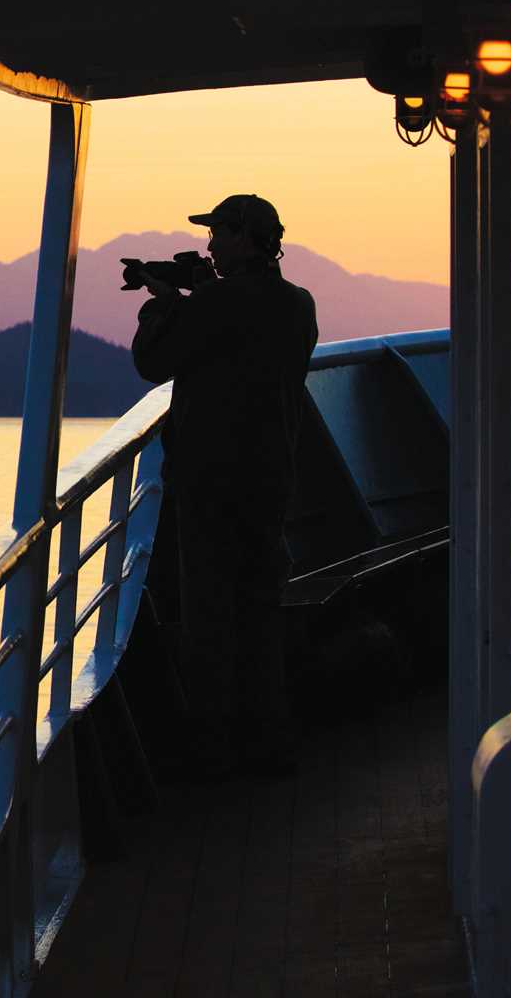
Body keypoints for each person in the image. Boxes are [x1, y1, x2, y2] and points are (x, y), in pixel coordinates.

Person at [130, 193, 318, 775]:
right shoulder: (298, 303)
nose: (210, 244)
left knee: (208, 615)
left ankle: (213, 752)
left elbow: (153, 362)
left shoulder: (217, 303)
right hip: (272, 476)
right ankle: (270, 742)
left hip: (209, 482)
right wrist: (201, 297)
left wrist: (162, 307)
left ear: (241, 237)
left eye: (217, 233)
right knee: (260, 609)